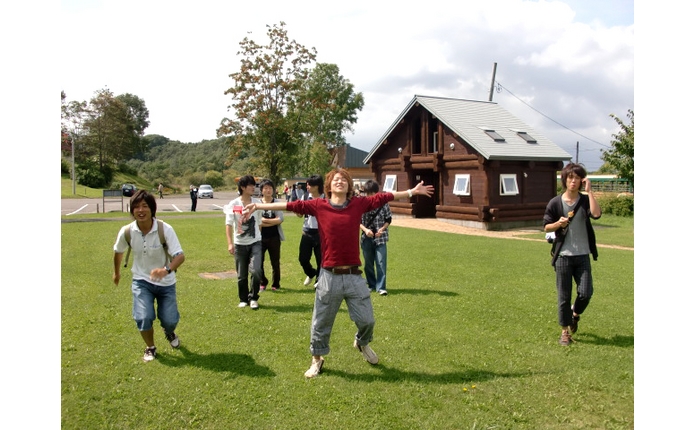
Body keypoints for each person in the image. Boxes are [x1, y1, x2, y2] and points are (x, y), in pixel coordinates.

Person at [242, 168, 434, 378]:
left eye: (344, 179)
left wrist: (411, 192)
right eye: (335, 179)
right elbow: (290, 205)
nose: (340, 181)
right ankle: (317, 359)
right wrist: (258, 205)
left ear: (349, 186)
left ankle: (361, 343)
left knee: (367, 321)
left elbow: (383, 197)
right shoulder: (319, 205)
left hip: (353, 275)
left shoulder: (358, 204)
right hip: (328, 276)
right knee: (321, 322)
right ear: (329, 185)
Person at [112, 190, 186, 362]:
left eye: (145, 206)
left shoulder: (164, 229)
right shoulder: (127, 231)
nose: (140, 210)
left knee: (169, 320)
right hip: (141, 280)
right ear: (132, 211)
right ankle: (150, 347)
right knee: (143, 317)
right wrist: (116, 273)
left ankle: (169, 331)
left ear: (152, 209)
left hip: (166, 282)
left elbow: (180, 256)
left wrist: (166, 270)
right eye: (136, 207)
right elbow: (118, 251)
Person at [543, 163, 602, 346]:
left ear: (581, 180)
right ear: (565, 180)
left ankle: (575, 314)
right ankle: (564, 332)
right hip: (563, 256)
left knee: (586, 292)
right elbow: (546, 227)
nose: (573, 181)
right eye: (570, 177)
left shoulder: (584, 201)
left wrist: (590, 191)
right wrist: (558, 224)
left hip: (582, 255)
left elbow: (596, 214)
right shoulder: (555, 202)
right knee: (564, 295)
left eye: (577, 178)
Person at [224, 175, 263, 310]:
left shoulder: (257, 203)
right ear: (242, 187)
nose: (253, 187)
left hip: (255, 242)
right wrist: (230, 243)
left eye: (254, 185)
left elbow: (259, 223)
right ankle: (243, 298)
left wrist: (258, 236)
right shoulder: (233, 204)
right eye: (250, 185)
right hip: (239, 244)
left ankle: (253, 298)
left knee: (257, 270)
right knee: (241, 275)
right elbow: (229, 225)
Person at [359, 180, 392, 296]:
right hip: (366, 237)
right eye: (368, 193)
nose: (370, 196)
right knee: (368, 263)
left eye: (372, 193)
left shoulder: (383, 203)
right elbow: (357, 221)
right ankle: (371, 285)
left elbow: (388, 219)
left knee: (381, 262)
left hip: (380, 237)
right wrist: (365, 230)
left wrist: (382, 229)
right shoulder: (362, 204)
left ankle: (381, 287)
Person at [258, 178, 285, 291]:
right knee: (258, 261)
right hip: (260, 237)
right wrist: (271, 221)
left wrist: (264, 221)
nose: (268, 190)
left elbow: (280, 219)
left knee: (275, 262)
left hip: (274, 237)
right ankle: (262, 281)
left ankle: (276, 284)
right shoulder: (257, 204)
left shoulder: (277, 203)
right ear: (262, 190)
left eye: (270, 188)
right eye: (266, 188)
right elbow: (257, 220)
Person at [298, 175, 324, 287]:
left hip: (321, 233)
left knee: (321, 260)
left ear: (317, 186)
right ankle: (311, 273)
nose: (307, 187)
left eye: (310, 185)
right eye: (307, 184)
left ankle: (319, 281)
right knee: (303, 259)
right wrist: (297, 211)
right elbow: (300, 214)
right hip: (307, 232)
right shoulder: (305, 197)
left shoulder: (325, 198)